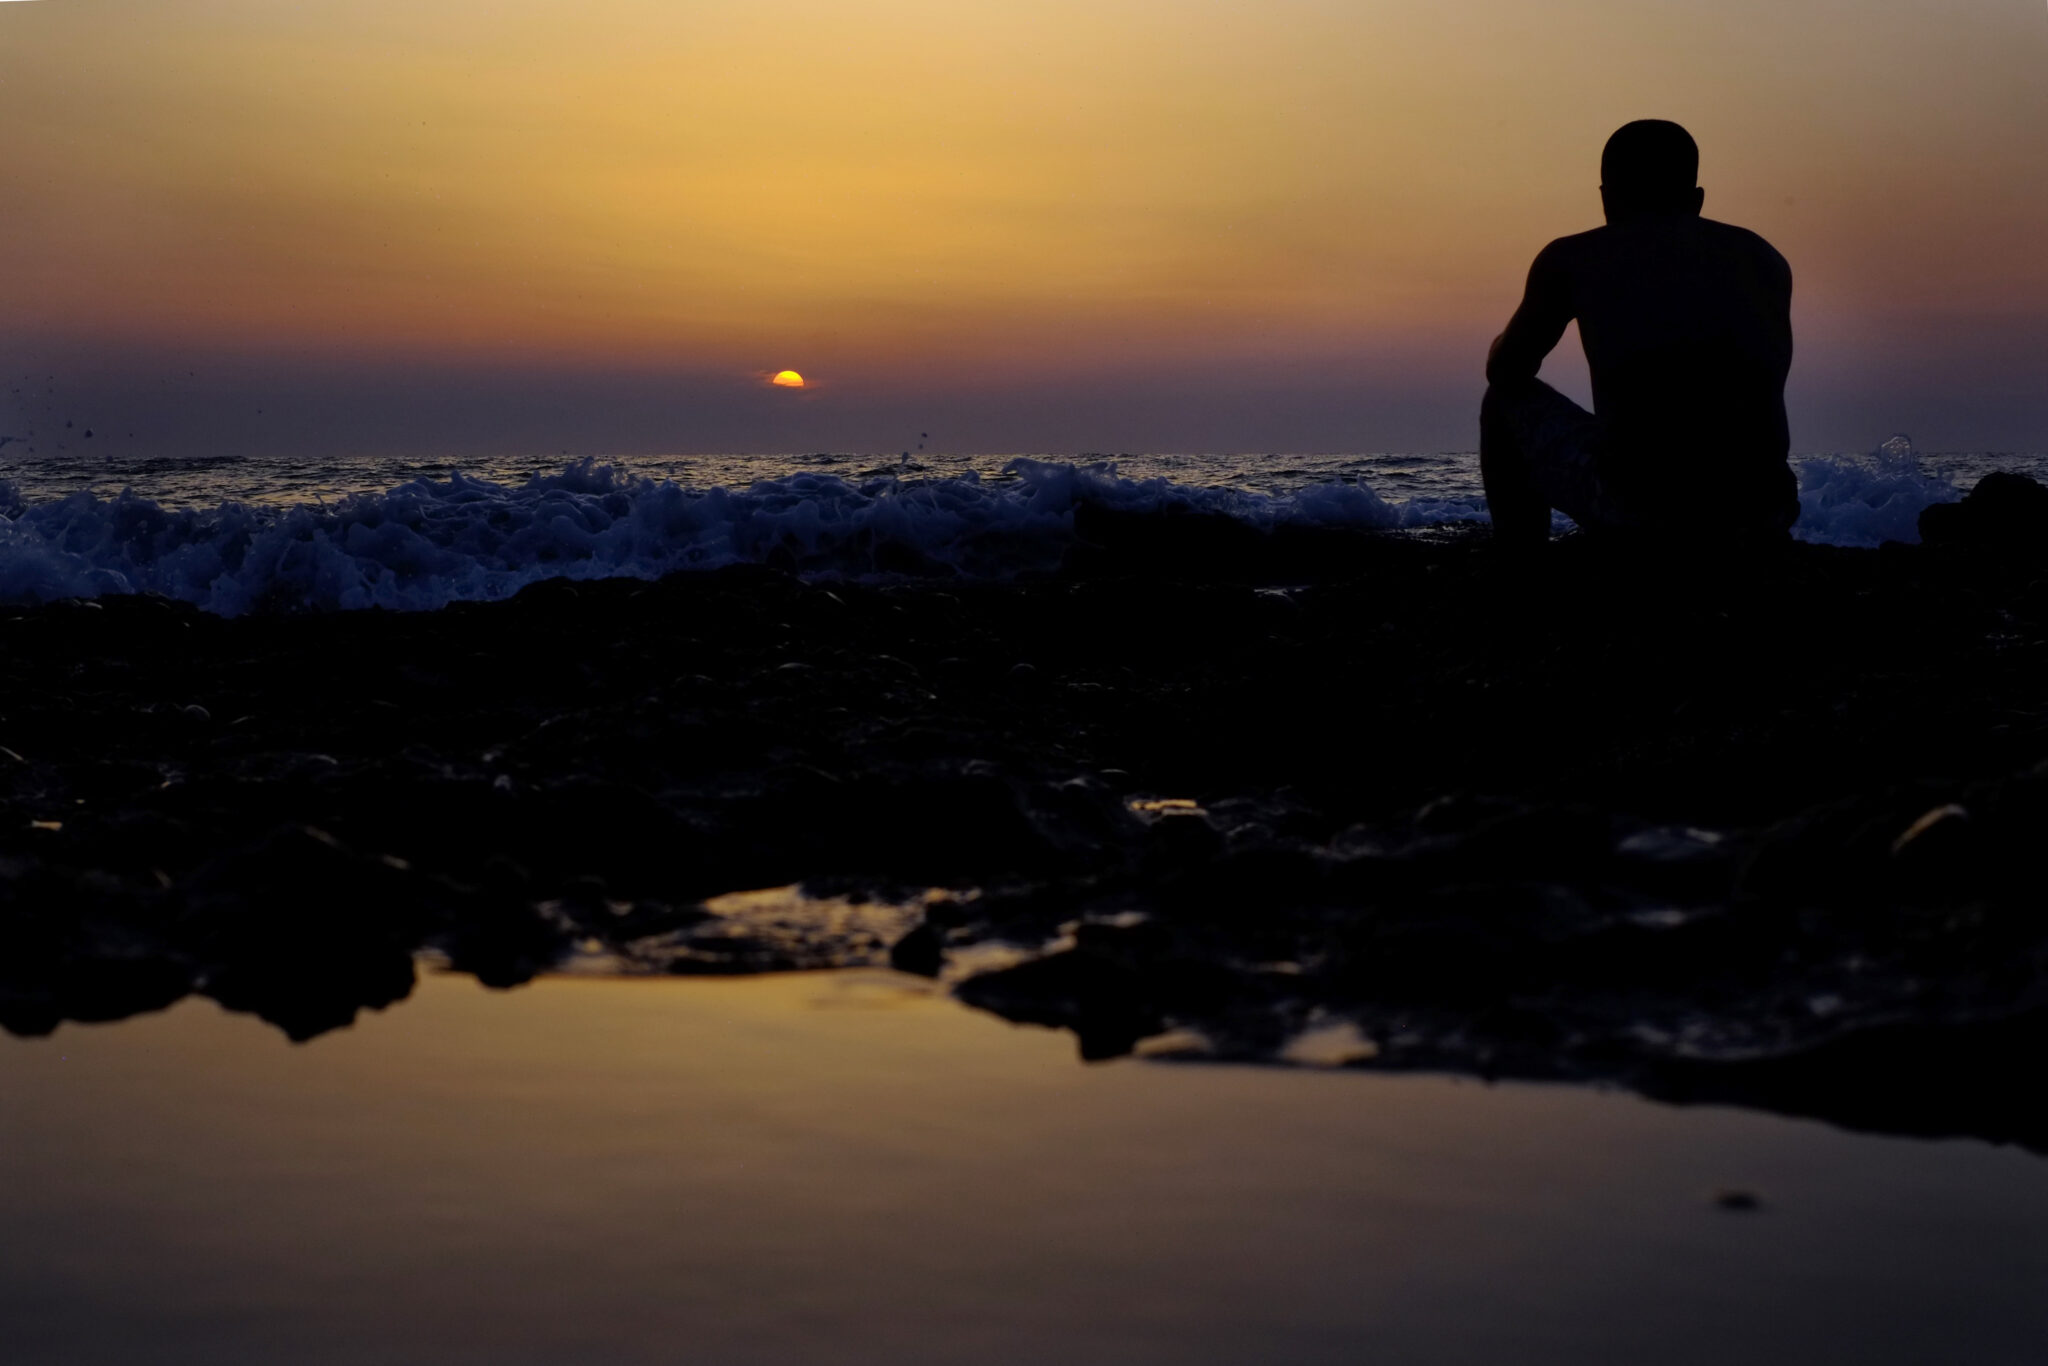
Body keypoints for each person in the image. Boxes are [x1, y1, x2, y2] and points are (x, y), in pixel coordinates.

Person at [1482, 120, 1797, 547]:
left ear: (1606, 196)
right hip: (1763, 512)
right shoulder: (1765, 259)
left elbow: (1507, 371)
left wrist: (1501, 342)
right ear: (1697, 199)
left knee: (1502, 402)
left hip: (1643, 510)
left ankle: (1522, 563)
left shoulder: (1574, 258)